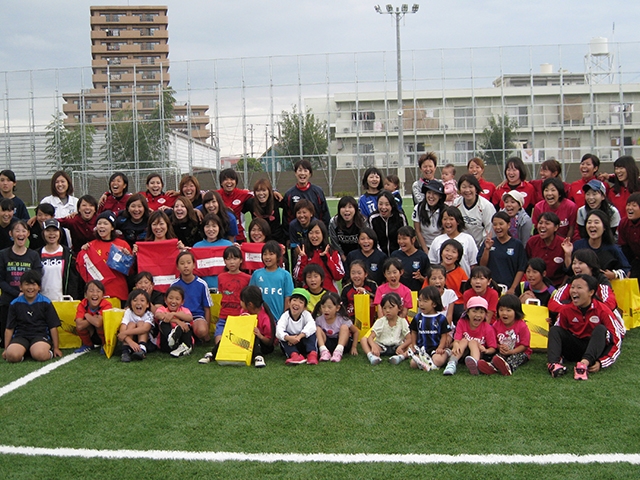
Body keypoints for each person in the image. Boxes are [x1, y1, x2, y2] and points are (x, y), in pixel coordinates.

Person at [547, 274, 623, 380]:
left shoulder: (602, 310)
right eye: (572, 287)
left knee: (600, 329)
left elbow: (617, 339)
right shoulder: (566, 310)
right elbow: (559, 334)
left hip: (595, 350)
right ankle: (554, 365)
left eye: (579, 287)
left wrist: (601, 362)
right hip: (575, 348)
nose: (574, 291)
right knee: (555, 330)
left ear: (591, 292)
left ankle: (582, 366)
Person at [2, 270, 61, 363]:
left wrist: (56, 348)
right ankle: (23, 352)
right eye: (27, 284)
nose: (30, 288)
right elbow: (9, 328)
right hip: (21, 336)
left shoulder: (46, 302)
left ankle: (43, 351)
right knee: (12, 356)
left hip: (40, 335)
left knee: (40, 354)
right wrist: (6, 349)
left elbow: (53, 327)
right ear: (21, 287)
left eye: (33, 284)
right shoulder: (15, 303)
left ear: (39, 287)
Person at [0, 220, 43, 347]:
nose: (20, 233)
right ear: (11, 234)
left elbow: (38, 276)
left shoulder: (33, 255)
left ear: (28, 234)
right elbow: (1, 280)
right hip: (8, 300)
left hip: (29, 300)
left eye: (24, 230)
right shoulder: (3, 254)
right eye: (17, 230)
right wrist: (16, 293)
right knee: (5, 340)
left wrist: (26, 293)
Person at [80, 211, 131, 305]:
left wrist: (127, 258)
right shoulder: (90, 245)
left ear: (112, 227)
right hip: (97, 294)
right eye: (99, 223)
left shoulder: (122, 245)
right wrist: (83, 252)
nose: (101, 226)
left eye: (105, 223)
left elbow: (130, 271)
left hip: (118, 292)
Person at [210, 246, 251, 355]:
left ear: (241, 260)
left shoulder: (247, 278)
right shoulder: (221, 277)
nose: (231, 262)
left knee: (239, 345)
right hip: (224, 316)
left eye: (235, 258)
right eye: (228, 259)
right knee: (218, 344)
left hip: (240, 317)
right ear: (224, 261)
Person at [478, 294, 531, 376]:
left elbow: (524, 345)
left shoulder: (522, 325)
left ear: (516, 312)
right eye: (501, 310)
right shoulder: (496, 324)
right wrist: (500, 347)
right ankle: (491, 367)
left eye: (508, 310)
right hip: (503, 351)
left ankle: (508, 368)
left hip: (520, 351)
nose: (504, 313)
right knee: (497, 357)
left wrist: (511, 351)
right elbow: (493, 341)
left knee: (515, 358)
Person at [443, 296, 497, 376]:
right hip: (462, 351)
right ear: (467, 312)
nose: (478, 315)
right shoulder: (462, 322)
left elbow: (493, 348)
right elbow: (457, 339)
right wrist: (456, 344)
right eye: (474, 311)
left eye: (481, 312)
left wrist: (486, 350)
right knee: (464, 340)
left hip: (478, 353)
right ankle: (452, 363)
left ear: (485, 314)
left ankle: (475, 363)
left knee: (472, 342)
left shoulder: (488, 328)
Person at [568, 210, 630, 280]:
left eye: (596, 222)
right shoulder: (578, 245)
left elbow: (626, 269)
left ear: (604, 227)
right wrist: (567, 254)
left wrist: (614, 275)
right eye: (589, 222)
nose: (592, 225)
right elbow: (569, 271)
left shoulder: (613, 248)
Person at [477, 211, 527, 295]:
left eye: (501, 224)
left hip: (509, 289)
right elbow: (482, 266)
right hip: (490, 288)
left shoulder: (517, 244)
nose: (497, 227)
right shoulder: (488, 242)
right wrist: (487, 249)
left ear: (508, 225)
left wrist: (513, 288)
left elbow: (521, 268)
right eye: (495, 224)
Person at [170, 251, 214, 345]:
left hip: (197, 317)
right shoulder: (174, 285)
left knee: (202, 331)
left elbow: (207, 308)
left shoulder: (202, 284)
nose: (185, 266)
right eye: (182, 263)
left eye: (188, 263)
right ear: (177, 267)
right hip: (180, 316)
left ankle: (196, 335)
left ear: (194, 265)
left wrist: (207, 329)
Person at [406, 286, 452, 370]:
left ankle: (447, 354)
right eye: (419, 300)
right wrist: (414, 345)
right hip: (422, 350)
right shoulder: (417, 317)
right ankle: (427, 363)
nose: (421, 304)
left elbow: (444, 335)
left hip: (436, 349)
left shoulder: (441, 318)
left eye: (425, 301)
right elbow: (414, 332)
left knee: (438, 360)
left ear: (434, 304)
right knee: (413, 364)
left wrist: (440, 348)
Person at [293, 219, 344, 293]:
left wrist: (327, 258)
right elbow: (298, 277)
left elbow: (339, 275)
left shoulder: (332, 252)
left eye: (317, 233)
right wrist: (303, 259)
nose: (314, 236)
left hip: (329, 295)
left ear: (323, 234)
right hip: (309, 295)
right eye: (311, 233)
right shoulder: (304, 252)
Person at [360, 292, 411, 366]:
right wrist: (373, 346)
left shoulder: (402, 321)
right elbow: (370, 337)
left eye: (391, 307)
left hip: (397, 347)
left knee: (412, 345)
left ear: (399, 308)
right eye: (384, 308)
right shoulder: (380, 321)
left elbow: (409, 339)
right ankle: (371, 356)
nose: (387, 310)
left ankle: (401, 357)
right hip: (381, 346)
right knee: (363, 340)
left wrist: (401, 347)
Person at [281, 159, 331, 233]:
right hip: (297, 235)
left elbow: (324, 214)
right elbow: (286, 218)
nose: (302, 173)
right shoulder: (289, 194)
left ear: (310, 174)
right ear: (295, 173)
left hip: (315, 234)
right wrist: (288, 237)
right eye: (300, 170)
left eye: (305, 170)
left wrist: (324, 233)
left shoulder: (318, 192)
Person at [249, 240, 294, 321]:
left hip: (278, 319)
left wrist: (284, 319)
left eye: (271, 254)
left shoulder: (285, 275)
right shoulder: (256, 274)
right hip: (259, 320)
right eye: (265, 254)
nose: (267, 257)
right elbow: (251, 296)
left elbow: (288, 297)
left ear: (278, 256)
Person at [428, 206, 477, 276]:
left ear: (458, 222)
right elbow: (432, 264)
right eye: (445, 219)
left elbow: (473, 264)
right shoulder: (437, 240)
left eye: (451, 219)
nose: (448, 222)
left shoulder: (468, 239)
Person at [39, 218, 80, 301]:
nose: (51, 234)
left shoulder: (69, 254)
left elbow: (74, 280)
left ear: (60, 232)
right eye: (48, 231)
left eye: (55, 230)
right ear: (43, 233)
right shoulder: (37, 254)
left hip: (63, 301)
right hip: (42, 301)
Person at [276, 288, 318, 365]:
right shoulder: (285, 316)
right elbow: (279, 330)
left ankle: (312, 354)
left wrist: (299, 336)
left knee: (311, 332)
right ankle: (294, 355)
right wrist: (288, 338)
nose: (296, 304)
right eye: (294, 300)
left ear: (305, 307)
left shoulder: (306, 314)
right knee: (283, 336)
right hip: (290, 342)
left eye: (301, 302)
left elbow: (312, 326)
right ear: (289, 302)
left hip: (302, 341)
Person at [313, 291, 359, 362]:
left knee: (344, 327)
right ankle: (323, 351)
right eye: (323, 307)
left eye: (329, 307)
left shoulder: (342, 319)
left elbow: (356, 331)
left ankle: (338, 352)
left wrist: (354, 347)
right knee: (317, 329)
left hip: (342, 343)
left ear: (337, 308)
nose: (326, 310)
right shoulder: (319, 320)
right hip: (327, 343)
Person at [192, 213, 234, 290]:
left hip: (226, 288)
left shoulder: (228, 245)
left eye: (214, 226)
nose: (211, 229)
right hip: (203, 290)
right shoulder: (196, 247)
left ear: (219, 228)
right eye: (207, 226)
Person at [454, 173, 496, 248]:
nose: (467, 190)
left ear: (476, 188)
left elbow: (490, 229)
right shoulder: (456, 204)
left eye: (470, 187)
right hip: (460, 247)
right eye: (464, 187)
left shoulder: (486, 206)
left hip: (481, 246)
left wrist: (482, 248)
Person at [525, 212, 566, 287]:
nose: (542, 226)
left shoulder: (563, 244)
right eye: (540, 223)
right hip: (534, 284)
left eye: (547, 223)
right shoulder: (532, 242)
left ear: (556, 227)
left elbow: (568, 272)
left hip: (557, 285)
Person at [243, 177, 286, 245]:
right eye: (258, 191)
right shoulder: (250, 203)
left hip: (276, 239)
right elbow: (239, 211)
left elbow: (288, 211)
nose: (261, 193)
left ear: (269, 191)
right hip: (258, 239)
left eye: (264, 190)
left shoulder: (276, 200)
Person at [74, 280, 112, 353]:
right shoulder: (82, 304)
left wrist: (87, 315)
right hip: (91, 332)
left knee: (101, 325)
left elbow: (98, 323)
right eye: (91, 291)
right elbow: (79, 325)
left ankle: (105, 345)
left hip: (104, 335)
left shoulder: (107, 304)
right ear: (85, 294)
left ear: (103, 295)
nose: (95, 294)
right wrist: (93, 318)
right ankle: (88, 344)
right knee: (81, 327)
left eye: (98, 291)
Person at [154, 286, 194, 356]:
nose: (173, 301)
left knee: (186, 323)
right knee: (164, 321)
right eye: (170, 298)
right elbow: (158, 315)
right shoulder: (162, 309)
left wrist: (174, 314)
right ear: (165, 300)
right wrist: (177, 321)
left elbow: (190, 318)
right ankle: (171, 337)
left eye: (177, 299)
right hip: (166, 343)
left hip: (181, 341)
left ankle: (185, 346)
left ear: (182, 302)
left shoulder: (184, 310)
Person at [217, 168, 253, 242]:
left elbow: (260, 193)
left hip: (239, 236)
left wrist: (273, 192)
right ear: (221, 183)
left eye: (232, 179)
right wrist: (197, 210)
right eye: (226, 179)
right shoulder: (216, 195)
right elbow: (204, 196)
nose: (229, 182)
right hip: (221, 237)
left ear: (236, 181)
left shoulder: (243, 193)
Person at [368, 191, 408, 257]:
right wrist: (381, 254)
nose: (383, 207)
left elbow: (406, 236)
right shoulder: (373, 218)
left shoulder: (400, 216)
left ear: (392, 205)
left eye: (387, 204)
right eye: (380, 204)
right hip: (379, 255)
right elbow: (373, 239)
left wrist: (398, 253)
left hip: (399, 254)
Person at [118, 289, 154, 362]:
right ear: (130, 304)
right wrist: (130, 342)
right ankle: (126, 352)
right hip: (130, 340)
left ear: (147, 304)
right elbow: (122, 328)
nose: (138, 303)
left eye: (142, 300)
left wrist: (124, 333)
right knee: (131, 324)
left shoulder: (149, 314)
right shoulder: (128, 312)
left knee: (141, 323)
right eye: (135, 300)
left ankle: (141, 350)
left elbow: (145, 329)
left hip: (147, 341)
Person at [391, 226, 430, 292]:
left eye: (404, 239)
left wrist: (420, 277)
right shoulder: (395, 255)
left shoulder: (422, 256)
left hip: (415, 294)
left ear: (413, 239)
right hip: (398, 295)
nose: (401, 241)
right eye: (399, 239)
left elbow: (428, 280)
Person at [412, 179, 446, 254]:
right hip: (423, 246)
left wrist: (437, 249)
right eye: (429, 192)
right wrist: (426, 251)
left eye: (435, 193)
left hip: (440, 246)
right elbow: (417, 230)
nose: (431, 196)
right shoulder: (418, 208)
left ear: (440, 196)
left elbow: (445, 231)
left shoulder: (445, 210)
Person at [329, 196, 365, 262]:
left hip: (361, 256)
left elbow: (367, 240)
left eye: (350, 207)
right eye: (343, 207)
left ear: (355, 209)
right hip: (341, 257)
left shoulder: (362, 221)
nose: (346, 210)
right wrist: (343, 258)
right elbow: (335, 244)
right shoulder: (334, 222)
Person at [618, 192, 640, 278]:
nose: (630, 208)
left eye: (634, 205)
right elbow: (625, 248)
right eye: (628, 205)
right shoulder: (624, 223)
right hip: (635, 261)